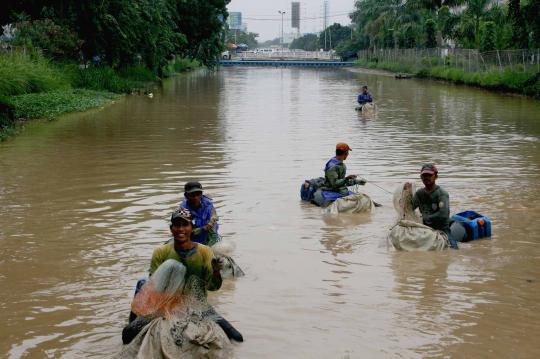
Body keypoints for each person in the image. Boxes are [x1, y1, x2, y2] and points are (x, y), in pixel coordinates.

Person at [404, 164, 458, 249]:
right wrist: (407, 193)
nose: (426, 177)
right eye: (424, 175)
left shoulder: (442, 193)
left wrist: (425, 218)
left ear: (436, 176)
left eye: (429, 175)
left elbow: (443, 215)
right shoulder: (419, 193)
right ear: (421, 177)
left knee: (453, 248)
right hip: (424, 228)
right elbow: (409, 208)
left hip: (441, 229)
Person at [180, 181, 219, 246]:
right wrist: (201, 229)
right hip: (192, 239)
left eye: (198, 193)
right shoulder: (183, 210)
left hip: (210, 236)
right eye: (192, 194)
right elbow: (183, 230)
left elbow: (214, 218)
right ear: (186, 195)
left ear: (201, 194)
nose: (196, 197)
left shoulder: (208, 204)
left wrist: (211, 232)